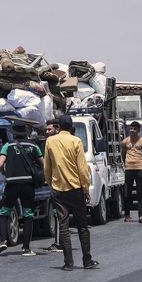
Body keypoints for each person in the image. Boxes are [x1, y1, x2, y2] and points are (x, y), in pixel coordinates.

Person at [43, 114, 98, 271]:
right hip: (76, 189)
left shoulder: (50, 141)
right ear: (71, 126)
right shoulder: (76, 141)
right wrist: (86, 189)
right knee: (82, 226)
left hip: (58, 190)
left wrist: (50, 184)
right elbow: (82, 168)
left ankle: (68, 263)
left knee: (63, 226)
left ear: (58, 127)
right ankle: (87, 260)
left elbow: (47, 167)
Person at [0, 123, 44, 257]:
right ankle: (26, 248)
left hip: (12, 184)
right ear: (26, 132)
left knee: (3, 212)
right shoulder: (33, 146)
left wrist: (5, 173)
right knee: (28, 215)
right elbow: (43, 163)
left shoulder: (7, 145)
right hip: (27, 184)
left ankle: (3, 241)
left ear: (13, 133)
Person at [120, 121, 142, 223]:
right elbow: (123, 155)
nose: (132, 131)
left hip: (140, 169)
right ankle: (127, 215)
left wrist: (139, 163)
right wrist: (128, 163)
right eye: (131, 128)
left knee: (140, 193)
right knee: (127, 193)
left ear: (138, 130)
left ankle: (141, 215)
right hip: (129, 170)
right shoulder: (125, 142)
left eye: (135, 129)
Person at [41, 119, 63, 253]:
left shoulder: (54, 143)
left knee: (60, 214)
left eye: (50, 129)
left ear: (57, 129)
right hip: (56, 182)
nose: (47, 132)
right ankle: (58, 242)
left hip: (60, 183)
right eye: (46, 130)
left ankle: (60, 243)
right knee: (58, 213)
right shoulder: (49, 142)